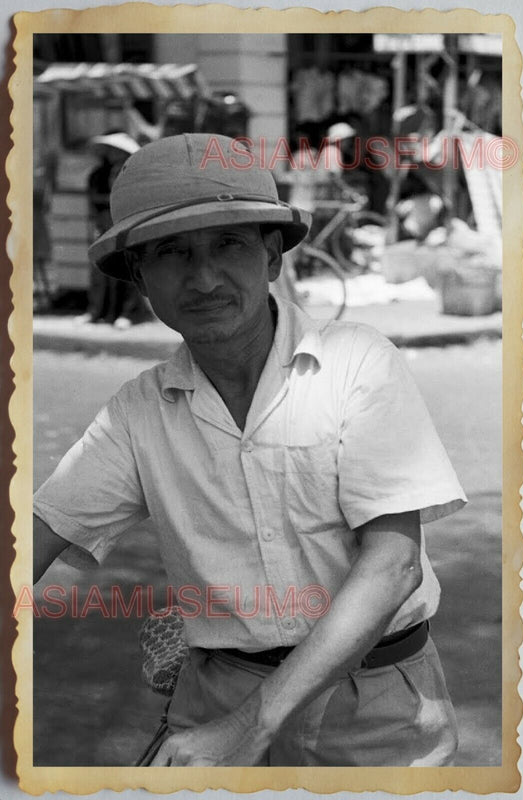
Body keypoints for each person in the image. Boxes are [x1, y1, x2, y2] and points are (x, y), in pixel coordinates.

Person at [33, 133, 467, 767]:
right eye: (171, 252)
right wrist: (235, 723)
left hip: (375, 709)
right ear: (139, 278)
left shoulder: (357, 362)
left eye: (228, 244)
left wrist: (251, 725)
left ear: (272, 257)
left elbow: (393, 565)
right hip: (215, 694)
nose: (203, 278)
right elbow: (34, 536)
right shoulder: (139, 412)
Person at [76, 132, 149, 329]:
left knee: (126, 268)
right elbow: (94, 200)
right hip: (103, 224)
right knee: (99, 270)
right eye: (111, 150)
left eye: (116, 150)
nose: (112, 153)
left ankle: (127, 313)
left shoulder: (132, 174)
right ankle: (96, 311)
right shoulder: (98, 174)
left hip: (125, 224)